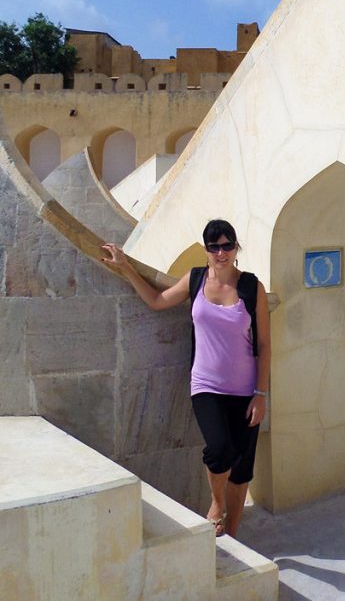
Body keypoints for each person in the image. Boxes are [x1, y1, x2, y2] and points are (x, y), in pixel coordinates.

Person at [100, 219, 270, 539]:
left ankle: (231, 533)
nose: (221, 253)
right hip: (206, 385)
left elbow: (264, 344)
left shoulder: (251, 287)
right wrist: (125, 268)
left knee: (243, 466)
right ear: (206, 251)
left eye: (227, 246)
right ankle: (217, 504)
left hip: (246, 390)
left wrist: (261, 393)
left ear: (236, 248)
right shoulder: (195, 280)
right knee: (219, 451)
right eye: (214, 247)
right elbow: (157, 301)